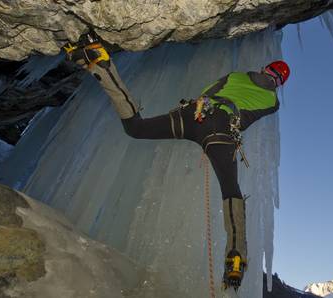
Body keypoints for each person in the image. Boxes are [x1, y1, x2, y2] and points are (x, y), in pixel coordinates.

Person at [63, 32, 289, 289]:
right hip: (222, 131)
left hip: (194, 115)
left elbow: (209, 91)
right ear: (280, 83)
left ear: (264, 68)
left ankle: (102, 65)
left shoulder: (236, 76)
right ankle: (236, 256)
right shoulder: (273, 102)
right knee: (231, 191)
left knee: (137, 128)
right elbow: (253, 114)